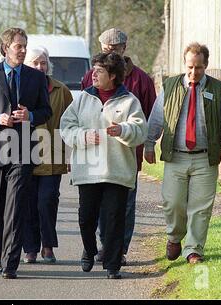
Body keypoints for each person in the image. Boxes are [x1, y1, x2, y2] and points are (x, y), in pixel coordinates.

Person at [144, 42, 221, 264]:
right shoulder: (170, 86)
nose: (193, 72)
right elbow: (157, 118)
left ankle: (193, 249)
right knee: (172, 202)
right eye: (189, 67)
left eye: (198, 67)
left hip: (205, 158)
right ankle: (175, 236)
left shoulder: (218, 89)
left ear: (206, 65)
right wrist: (149, 143)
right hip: (176, 156)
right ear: (184, 64)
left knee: (201, 207)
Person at [0, 27, 51, 279]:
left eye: (25, 45)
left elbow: (45, 111)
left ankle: (10, 262)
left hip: (22, 150)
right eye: (19, 46)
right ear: (5, 48)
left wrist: (31, 116)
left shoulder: (36, 78)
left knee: (15, 206)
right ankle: (3, 251)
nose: (23, 50)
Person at [60, 52, 147, 279]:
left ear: (113, 76)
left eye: (99, 71)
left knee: (114, 219)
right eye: (93, 70)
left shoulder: (130, 101)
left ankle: (113, 264)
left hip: (116, 171)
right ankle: (89, 250)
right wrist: (84, 136)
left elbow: (140, 131)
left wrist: (123, 130)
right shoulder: (82, 99)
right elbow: (66, 127)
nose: (93, 74)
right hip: (88, 170)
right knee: (86, 218)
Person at [81, 28, 156, 266]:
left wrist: (148, 144)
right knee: (99, 205)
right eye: (105, 49)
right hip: (96, 153)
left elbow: (151, 115)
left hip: (126, 154)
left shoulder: (141, 80)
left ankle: (118, 249)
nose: (109, 53)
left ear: (124, 48)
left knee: (123, 204)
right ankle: (105, 246)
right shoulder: (89, 77)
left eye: (114, 49)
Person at [22, 46, 73, 264]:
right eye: (34, 63)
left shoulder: (62, 91)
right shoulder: (20, 88)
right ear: (26, 65)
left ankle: (48, 245)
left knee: (47, 201)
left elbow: (72, 124)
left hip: (53, 156)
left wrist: (71, 155)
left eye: (43, 63)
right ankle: (30, 248)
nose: (39, 67)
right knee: (28, 202)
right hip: (24, 154)